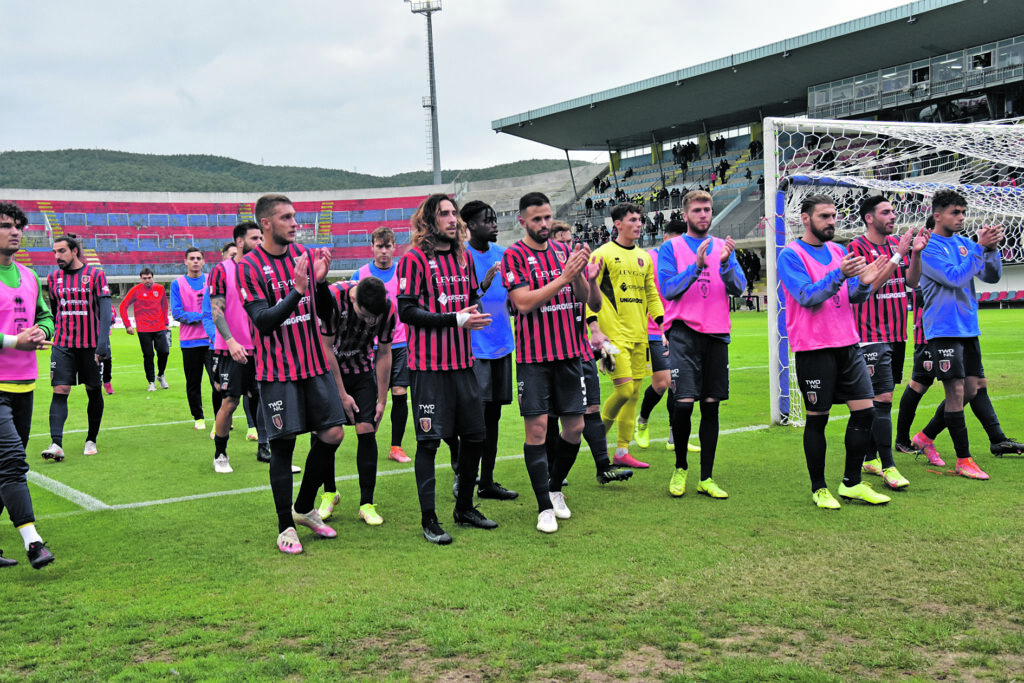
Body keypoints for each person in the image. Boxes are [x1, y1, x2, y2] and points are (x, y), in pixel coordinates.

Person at [237, 194, 346, 554]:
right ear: (266, 224)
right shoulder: (249, 266)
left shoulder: (306, 258)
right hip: (277, 371)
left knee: (332, 433)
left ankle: (303, 507)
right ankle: (286, 525)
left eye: (295, 216)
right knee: (283, 447)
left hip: (314, 365)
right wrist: (298, 290)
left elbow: (329, 314)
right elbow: (264, 322)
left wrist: (320, 283)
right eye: (286, 217)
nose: (295, 223)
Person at [777, 194, 891, 509]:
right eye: (824, 216)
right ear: (805, 218)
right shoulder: (791, 255)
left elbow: (850, 295)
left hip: (848, 344)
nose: (831, 222)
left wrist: (865, 283)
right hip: (814, 348)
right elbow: (806, 296)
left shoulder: (838, 251)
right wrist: (840, 274)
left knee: (865, 412)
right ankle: (819, 488)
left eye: (833, 216)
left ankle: (852, 483)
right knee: (818, 420)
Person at [397, 193, 496, 545]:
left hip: (463, 364)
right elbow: (406, 311)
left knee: (475, 436)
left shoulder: (463, 257)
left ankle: (465, 507)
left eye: (455, 213)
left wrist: (477, 311)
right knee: (428, 443)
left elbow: (470, 299)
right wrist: (455, 319)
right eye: (445, 214)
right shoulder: (412, 260)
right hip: (428, 368)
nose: (453, 219)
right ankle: (429, 519)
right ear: (428, 220)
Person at [502, 192, 602, 534]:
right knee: (538, 431)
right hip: (534, 359)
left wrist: (581, 275)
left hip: (570, 354)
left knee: (574, 428)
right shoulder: (513, 256)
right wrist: (563, 277)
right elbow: (524, 302)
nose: (544, 224)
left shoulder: (564, 251)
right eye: (537, 219)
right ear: (523, 222)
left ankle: (555, 487)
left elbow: (583, 299)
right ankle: (544, 507)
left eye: (548, 217)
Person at [910, 190, 1022, 479]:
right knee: (956, 391)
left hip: (968, 326)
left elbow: (991, 277)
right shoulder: (928, 247)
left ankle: (924, 437)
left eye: (963, 212)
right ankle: (964, 460)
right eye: (955, 212)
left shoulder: (963, 243)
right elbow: (955, 278)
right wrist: (978, 248)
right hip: (943, 328)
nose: (961, 217)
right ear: (937, 215)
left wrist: (991, 250)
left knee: (974, 389)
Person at [657, 191, 746, 499]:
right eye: (697, 210)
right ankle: (681, 467)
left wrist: (725, 265)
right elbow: (668, 290)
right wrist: (695, 267)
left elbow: (739, 289)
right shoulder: (671, 247)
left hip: (717, 334)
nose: (704, 214)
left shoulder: (725, 247)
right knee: (683, 406)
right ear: (686, 214)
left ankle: (706, 477)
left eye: (707, 209)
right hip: (684, 334)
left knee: (711, 406)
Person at [847, 196, 924, 490]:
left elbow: (912, 283)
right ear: (869, 218)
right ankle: (889, 465)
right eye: (886, 212)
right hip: (869, 334)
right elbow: (870, 285)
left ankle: (869, 457)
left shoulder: (896, 245)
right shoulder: (857, 247)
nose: (893, 216)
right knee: (883, 399)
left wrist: (913, 254)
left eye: (893, 211)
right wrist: (896, 256)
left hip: (896, 333)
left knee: (879, 400)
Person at [550, 221, 633, 486]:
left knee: (592, 409)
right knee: (551, 414)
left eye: (568, 239)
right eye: (561, 240)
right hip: (551, 352)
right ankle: (552, 470)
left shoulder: (579, 269)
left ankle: (603, 466)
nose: (566, 244)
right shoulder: (546, 269)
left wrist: (592, 281)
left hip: (580, 348)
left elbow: (591, 304)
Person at [0, 202, 56, 569]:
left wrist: (41, 332)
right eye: (6, 225)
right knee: (13, 463)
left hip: (25, 385)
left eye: (18, 225)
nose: (15, 231)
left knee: (3, 470)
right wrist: (11, 342)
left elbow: (47, 316)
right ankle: (33, 542)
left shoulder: (30, 276)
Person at [589, 203, 665, 469]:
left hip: (639, 335)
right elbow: (590, 293)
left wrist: (661, 324)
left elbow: (651, 293)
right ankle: (597, 442)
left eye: (640, 220)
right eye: (632, 220)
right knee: (622, 390)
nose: (638, 224)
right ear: (617, 224)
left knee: (634, 393)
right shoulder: (602, 254)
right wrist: (594, 327)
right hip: (612, 337)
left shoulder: (644, 257)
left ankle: (622, 451)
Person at [315, 275, 395, 526]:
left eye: (374, 316)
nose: (370, 321)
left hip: (361, 372)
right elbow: (326, 348)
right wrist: (341, 394)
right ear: (353, 299)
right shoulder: (334, 299)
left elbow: (383, 353)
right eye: (365, 314)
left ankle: (366, 503)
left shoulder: (387, 308)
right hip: (329, 371)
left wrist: (382, 400)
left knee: (366, 429)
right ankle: (329, 493)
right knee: (327, 433)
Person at [462, 201, 518, 500]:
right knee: (473, 418)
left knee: (493, 416)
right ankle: (465, 475)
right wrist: (481, 287)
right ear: (470, 225)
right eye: (488, 220)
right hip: (474, 348)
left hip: (502, 345)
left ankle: (486, 481)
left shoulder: (504, 255)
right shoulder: (460, 257)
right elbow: (458, 300)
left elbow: (513, 296)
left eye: (495, 219)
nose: (495, 224)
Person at [207, 222, 273, 472]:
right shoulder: (222, 270)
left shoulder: (264, 270)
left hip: (263, 348)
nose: (260, 241)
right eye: (255, 238)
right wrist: (232, 341)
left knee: (267, 399)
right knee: (231, 402)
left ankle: (265, 448)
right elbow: (217, 312)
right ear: (239, 242)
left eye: (262, 237)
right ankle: (220, 454)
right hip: (231, 348)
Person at [43, 235, 111, 461]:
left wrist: (102, 345)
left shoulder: (95, 275)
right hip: (63, 345)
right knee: (60, 390)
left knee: (93, 390)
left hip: (91, 345)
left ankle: (91, 438)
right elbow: (54, 311)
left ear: (74, 251)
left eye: (61, 251)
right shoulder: (53, 278)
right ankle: (56, 443)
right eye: (55, 252)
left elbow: (104, 311)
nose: (57, 256)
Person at [635, 218, 700, 455]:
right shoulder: (649, 259)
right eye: (675, 241)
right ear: (665, 238)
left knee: (677, 385)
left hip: (679, 329)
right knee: (663, 382)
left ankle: (675, 437)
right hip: (654, 330)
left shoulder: (689, 259)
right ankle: (642, 420)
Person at [351, 226, 412, 463]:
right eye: (379, 246)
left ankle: (396, 446)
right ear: (372, 247)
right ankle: (369, 443)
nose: (384, 251)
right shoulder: (362, 274)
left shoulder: (403, 273)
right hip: (371, 347)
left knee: (399, 393)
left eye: (388, 246)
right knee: (373, 397)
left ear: (394, 247)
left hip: (399, 344)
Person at [170, 247, 216, 431]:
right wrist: (202, 316)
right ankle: (198, 417)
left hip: (211, 340)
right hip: (189, 342)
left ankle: (221, 418)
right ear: (186, 261)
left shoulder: (210, 280)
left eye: (199, 258)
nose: (195, 261)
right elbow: (176, 312)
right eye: (192, 258)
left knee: (217, 382)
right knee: (193, 382)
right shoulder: (177, 284)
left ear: (204, 261)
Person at [119, 267, 170, 391]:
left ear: (153, 277)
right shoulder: (135, 290)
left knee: (164, 351)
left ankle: (161, 375)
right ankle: (151, 381)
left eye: (149, 278)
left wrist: (166, 322)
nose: (147, 280)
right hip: (144, 328)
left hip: (159, 326)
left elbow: (164, 305)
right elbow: (123, 306)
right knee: (148, 355)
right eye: (144, 278)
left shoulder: (160, 289)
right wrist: (127, 325)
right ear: (141, 279)